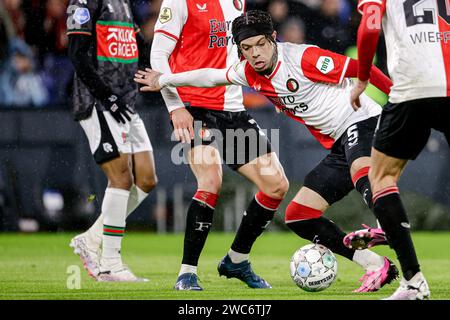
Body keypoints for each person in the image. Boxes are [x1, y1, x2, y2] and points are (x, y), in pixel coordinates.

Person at [136, 10, 400, 293]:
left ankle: (390, 234)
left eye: (261, 44)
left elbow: (365, 68)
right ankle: (375, 265)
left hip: (359, 121)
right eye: (247, 48)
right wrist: (166, 87)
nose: (255, 53)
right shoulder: (245, 69)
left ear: (274, 38)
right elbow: (208, 76)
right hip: (329, 141)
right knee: (296, 213)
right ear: (240, 51)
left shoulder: (302, 58)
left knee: (340, 177)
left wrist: (399, 107)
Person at [151, 0, 289, 291]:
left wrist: (272, 90)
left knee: (276, 185)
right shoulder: (179, 2)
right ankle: (186, 273)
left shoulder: (236, 2)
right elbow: (158, 55)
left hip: (233, 108)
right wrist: (175, 107)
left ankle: (236, 260)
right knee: (210, 180)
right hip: (194, 107)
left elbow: (247, 53)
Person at [348, 0, 450, 300]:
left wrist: (363, 75)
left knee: (380, 177)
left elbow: (369, 26)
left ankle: (414, 282)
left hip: (412, 88)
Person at [66, 0, 157, 282]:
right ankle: (110, 264)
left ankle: (92, 239)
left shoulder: (125, 5)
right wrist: (107, 96)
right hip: (99, 102)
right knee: (121, 178)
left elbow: (141, 51)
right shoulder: (84, 3)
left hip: (127, 103)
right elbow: (77, 55)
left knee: (146, 179)